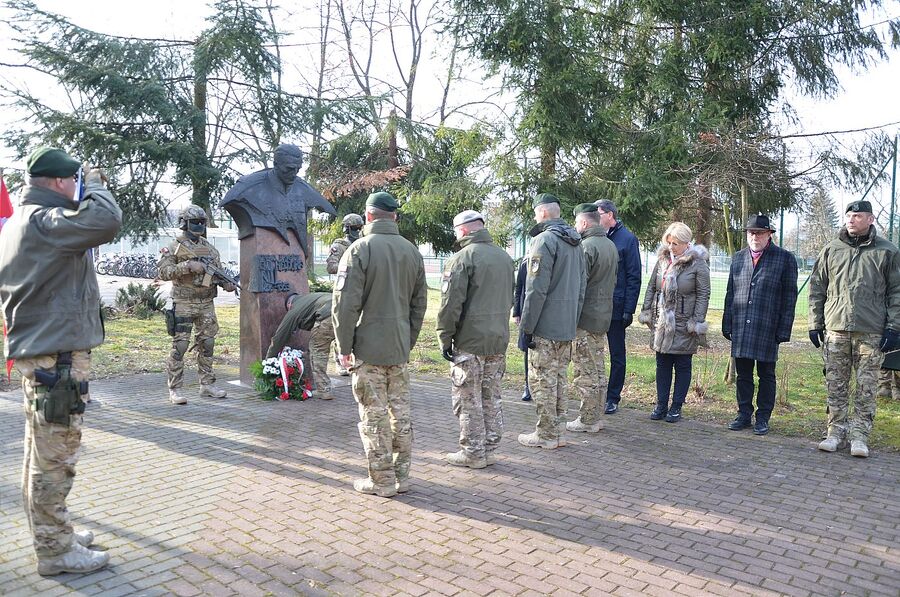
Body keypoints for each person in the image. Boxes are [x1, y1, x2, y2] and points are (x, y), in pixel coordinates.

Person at [0, 147, 121, 575]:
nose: (78, 190)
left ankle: (55, 532)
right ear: (58, 182)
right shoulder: (44, 222)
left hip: (45, 353)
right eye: (74, 182)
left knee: (40, 451)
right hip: (57, 359)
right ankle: (54, 551)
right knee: (56, 456)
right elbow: (106, 220)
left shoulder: (22, 220)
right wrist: (99, 184)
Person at [332, 191, 427, 496]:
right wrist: (406, 341)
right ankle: (402, 476)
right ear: (394, 217)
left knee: (373, 415)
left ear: (368, 216)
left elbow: (345, 305)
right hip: (398, 346)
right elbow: (419, 305)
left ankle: (382, 481)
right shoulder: (412, 252)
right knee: (400, 413)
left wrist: (344, 347)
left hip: (368, 349)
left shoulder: (359, 250)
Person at [809, 200, 900, 458]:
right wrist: (815, 323)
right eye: (849, 215)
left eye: (858, 216)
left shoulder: (887, 252)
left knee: (866, 386)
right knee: (835, 384)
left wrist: (894, 327)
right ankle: (835, 432)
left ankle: (860, 436)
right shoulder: (831, 250)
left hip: (871, 332)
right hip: (836, 329)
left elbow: (897, 292)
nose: (851, 220)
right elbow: (817, 288)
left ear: (870, 219)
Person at [436, 210, 515, 468]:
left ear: (464, 230)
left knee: (468, 399)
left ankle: (473, 452)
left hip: (469, 341)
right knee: (491, 395)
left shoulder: (462, 259)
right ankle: (490, 447)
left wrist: (444, 338)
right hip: (497, 339)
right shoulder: (504, 258)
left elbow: (450, 306)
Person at [518, 193, 586, 449]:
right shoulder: (575, 242)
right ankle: (557, 430)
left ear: (543, 213)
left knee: (542, 380)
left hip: (545, 326)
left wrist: (527, 327)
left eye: (536, 212)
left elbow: (536, 289)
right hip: (566, 324)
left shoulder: (544, 240)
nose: (536, 216)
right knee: (559, 378)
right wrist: (573, 319)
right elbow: (582, 288)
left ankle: (546, 434)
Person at [722, 214, 798, 435]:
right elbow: (730, 294)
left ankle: (763, 417)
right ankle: (744, 414)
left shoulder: (784, 259)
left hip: (767, 327)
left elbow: (789, 298)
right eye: (751, 232)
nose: (754, 236)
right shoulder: (738, 258)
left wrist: (784, 329)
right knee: (743, 375)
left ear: (769, 235)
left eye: (759, 233)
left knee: (766, 374)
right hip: (741, 326)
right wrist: (728, 323)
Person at [158, 204, 235, 405]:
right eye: (195, 222)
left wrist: (226, 283)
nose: (199, 225)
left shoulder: (210, 249)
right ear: (184, 223)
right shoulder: (174, 246)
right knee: (180, 346)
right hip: (183, 302)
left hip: (206, 303)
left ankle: (207, 384)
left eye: (202, 222)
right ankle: (174, 389)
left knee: (208, 344)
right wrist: (187, 266)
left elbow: (216, 274)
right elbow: (163, 273)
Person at [638, 222, 710, 423]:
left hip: (683, 322)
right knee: (662, 364)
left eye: (675, 243)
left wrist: (696, 321)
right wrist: (646, 311)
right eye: (669, 242)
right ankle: (661, 405)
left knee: (682, 364)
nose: (671, 247)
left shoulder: (698, 264)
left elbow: (704, 294)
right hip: (662, 322)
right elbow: (652, 286)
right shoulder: (662, 260)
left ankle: (676, 406)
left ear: (687, 243)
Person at [567, 203, 618, 433]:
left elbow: (578, 286)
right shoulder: (609, 245)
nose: (575, 226)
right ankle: (595, 416)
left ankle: (588, 419)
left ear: (585, 223)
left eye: (577, 222)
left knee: (585, 370)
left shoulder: (585, 247)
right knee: (597, 368)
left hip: (585, 318)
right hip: (602, 315)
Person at [595, 199, 641, 414]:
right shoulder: (596, 237)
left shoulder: (627, 239)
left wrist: (628, 309)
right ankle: (595, 393)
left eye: (599, 213)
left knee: (617, 355)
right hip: (596, 307)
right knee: (592, 352)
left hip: (616, 307)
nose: (596, 218)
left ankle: (613, 397)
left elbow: (634, 276)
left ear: (610, 215)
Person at [266, 292, 335, 400]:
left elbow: (279, 337)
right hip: (350, 311)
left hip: (329, 315)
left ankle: (324, 390)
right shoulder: (310, 300)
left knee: (317, 349)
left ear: (289, 304)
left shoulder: (294, 309)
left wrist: (268, 360)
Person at [326, 214, 364, 376]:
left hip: (362, 290)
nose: (356, 231)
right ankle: (340, 361)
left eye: (358, 228)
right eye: (353, 228)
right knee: (343, 325)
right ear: (346, 228)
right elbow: (331, 266)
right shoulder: (339, 246)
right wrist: (349, 267)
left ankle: (357, 359)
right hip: (345, 290)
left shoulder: (364, 244)